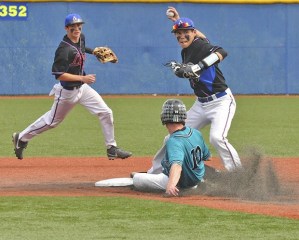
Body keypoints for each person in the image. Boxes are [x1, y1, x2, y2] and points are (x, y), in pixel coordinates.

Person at [12, 13, 132, 160]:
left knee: (106, 112)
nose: (76, 29)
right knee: (51, 122)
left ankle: (112, 148)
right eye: (72, 27)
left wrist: (93, 51)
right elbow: (59, 74)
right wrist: (83, 77)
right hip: (67, 92)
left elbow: (81, 48)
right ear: (66, 28)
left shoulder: (81, 38)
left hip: (83, 88)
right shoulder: (63, 50)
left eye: (78, 25)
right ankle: (21, 137)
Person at [148, 7, 241, 173]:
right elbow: (197, 34)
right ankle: (154, 172)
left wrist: (199, 66)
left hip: (221, 101)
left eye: (186, 32)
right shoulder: (187, 49)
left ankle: (239, 175)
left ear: (193, 32)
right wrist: (177, 20)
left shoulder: (200, 46)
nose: (181, 36)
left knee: (217, 138)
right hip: (201, 104)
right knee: (171, 137)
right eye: (178, 33)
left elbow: (222, 52)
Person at [132, 99, 210, 196]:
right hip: (196, 180)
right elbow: (207, 156)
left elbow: (177, 166)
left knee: (137, 178)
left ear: (165, 117)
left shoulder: (174, 140)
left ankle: (143, 176)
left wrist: (171, 185)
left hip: (181, 183)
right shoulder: (196, 133)